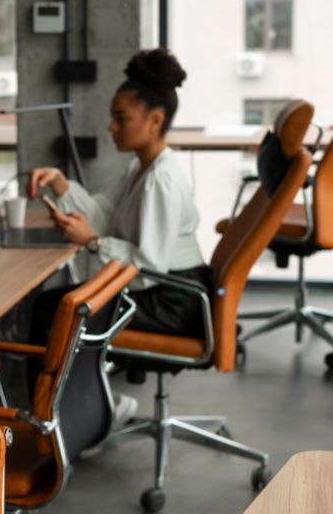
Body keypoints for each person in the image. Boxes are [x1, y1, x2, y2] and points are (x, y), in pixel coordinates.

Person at [27, 49, 209, 410]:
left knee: (57, 310)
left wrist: (92, 242)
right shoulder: (141, 170)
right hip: (163, 289)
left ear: (155, 121)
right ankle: (70, 410)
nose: (111, 127)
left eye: (120, 118)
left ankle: (70, 413)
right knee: (53, 306)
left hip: (172, 298)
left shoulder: (161, 181)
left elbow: (149, 265)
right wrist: (62, 185)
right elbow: (103, 214)